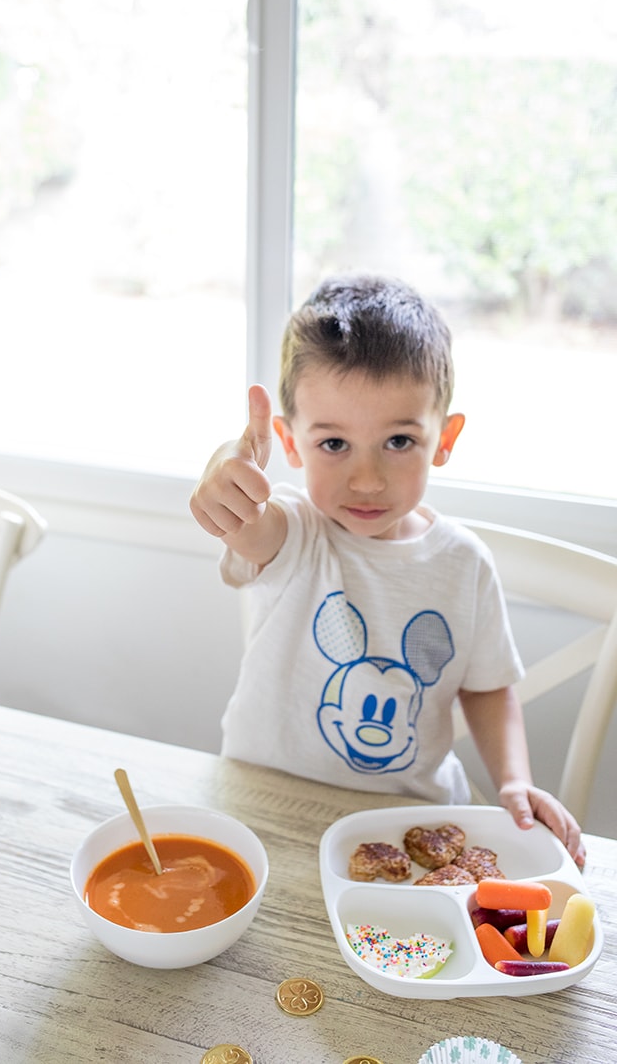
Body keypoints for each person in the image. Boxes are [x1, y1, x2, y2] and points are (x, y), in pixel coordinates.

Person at [190, 272, 584, 867]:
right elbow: (250, 525)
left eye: (399, 441)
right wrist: (227, 475)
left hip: (412, 826)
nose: (367, 479)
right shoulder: (296, 532)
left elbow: (488, 686)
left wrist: (512, 780)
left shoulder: (463, 562)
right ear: (290, 443)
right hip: (266, 810)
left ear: (444, 439)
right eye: (333, 444)